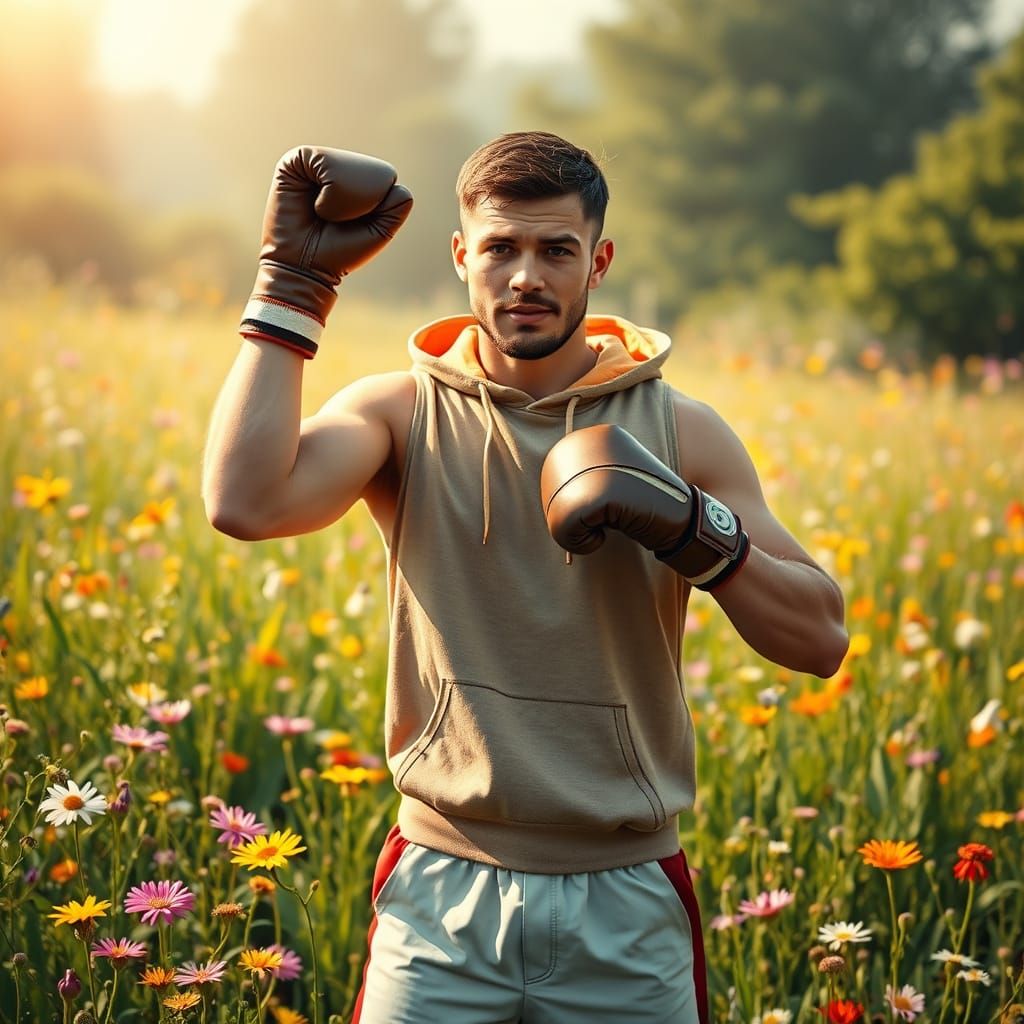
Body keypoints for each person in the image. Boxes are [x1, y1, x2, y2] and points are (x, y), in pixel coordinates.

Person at [202, 132, 849, 1024]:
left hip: (624, 899)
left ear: (600, 262)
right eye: (501, 248)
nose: (525, 277)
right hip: (440, 894)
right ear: (463, 254)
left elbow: (821, 639)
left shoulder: (683, 432)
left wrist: (697, 531)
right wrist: (292, 289)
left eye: (556, 250)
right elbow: (245, 502)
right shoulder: (400, 411)